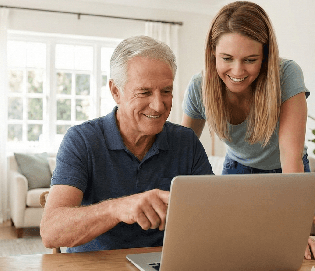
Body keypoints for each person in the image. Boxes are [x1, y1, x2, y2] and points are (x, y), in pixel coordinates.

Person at [181, 1, 315, 261]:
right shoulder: (199, 86)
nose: (237, 72)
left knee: (286, 251)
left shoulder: (286, 75)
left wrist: (297, 231)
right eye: (226, 58)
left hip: (287, 173)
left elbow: (290, 156)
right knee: (232, 251)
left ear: (266, 56)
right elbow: (182, 149)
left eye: (250, 60)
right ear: (212, 53)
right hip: (236, 168)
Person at [40, 36, 213, 253]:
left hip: (165, 267)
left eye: (166, 91)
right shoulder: (82, 140)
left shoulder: (186, 141)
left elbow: (211, 217)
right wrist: (118, 208)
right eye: (144, 92)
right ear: (115, 91)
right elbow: (51, 232)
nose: (159, 106)